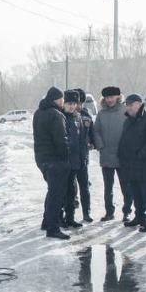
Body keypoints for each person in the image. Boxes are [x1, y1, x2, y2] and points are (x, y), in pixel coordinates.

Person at [117, 93, 146, 231]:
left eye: (130, 105)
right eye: (127, 105)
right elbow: (124, 140)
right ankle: (139, 216)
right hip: (129, 164)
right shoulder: (128, 120)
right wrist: (121, 155)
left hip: (144, 164)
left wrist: (141, 154)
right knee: (135, 192)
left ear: (139, 104)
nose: (128, 107)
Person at [32, 86, 71, 240]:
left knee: (51, 192)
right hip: (56, 161)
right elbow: (61, 141)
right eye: (62, 99)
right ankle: (53, 228)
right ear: (57, 100)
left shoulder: (38, 113)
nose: (63, 102)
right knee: (56, 195)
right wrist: (66, 159)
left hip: (42, 159)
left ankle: (46, 222)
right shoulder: (56, 115)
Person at [93, 86, 130, 222]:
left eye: (112, 97)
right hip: (107, 154)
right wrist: (101, 146)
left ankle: (127, 212)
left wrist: (127, 147)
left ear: (118, 97)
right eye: (107, 97)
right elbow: (96, 131)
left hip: (122, 155)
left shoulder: (125, 111)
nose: (109, 100)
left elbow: (131, 130)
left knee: (126, 185)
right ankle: (109, 212)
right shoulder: (101, 114)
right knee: (108, 187)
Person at [61, 90, 87, 229]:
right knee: (61, 191)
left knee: (72, 191)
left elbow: (82, 140)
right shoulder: (60, 117)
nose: (71, 106)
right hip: (63, 161)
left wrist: (83, 158)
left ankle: (70, 218)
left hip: (76, 161)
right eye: (69, 103)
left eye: (74, 104)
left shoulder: (78, 117)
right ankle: (59, 218)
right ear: (64, 104)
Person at [74, 88, 95, 222]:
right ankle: (69, 214)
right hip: (69, 157)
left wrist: (92, 143)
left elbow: (91, 133)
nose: (78, 106)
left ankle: (86, 213)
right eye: (76, 103)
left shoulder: (86, 115)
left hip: (83, 157)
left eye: (80, 103)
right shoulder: (65, 115)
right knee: (70, 187)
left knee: (84, 187)